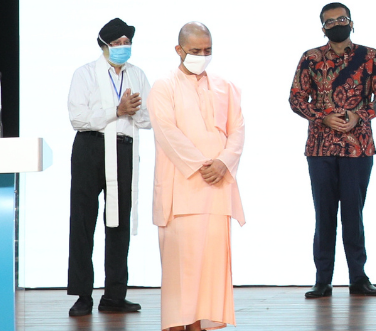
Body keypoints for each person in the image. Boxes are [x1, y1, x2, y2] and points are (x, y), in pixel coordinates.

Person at [148, 22, 246, 331]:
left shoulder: (225, 85)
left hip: (217, 191)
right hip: (182, 190)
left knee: (211, 271)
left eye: (208, 51)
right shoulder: (164, 86)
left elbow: (237, 130)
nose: (202, 56)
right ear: (179, 50)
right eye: (195, 51)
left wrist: (223, 163)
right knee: (181, 272)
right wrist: (203, 165)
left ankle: (199, 326)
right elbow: (166, 132)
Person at [288, 2, 376, 299]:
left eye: (342, 19)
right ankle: (322, 280)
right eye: (330, 22)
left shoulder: (369, 57)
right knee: (324, 214)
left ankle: (359, 277)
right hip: (320, 147)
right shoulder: (311, 58)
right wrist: (322, 116)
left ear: (352, 23)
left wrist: (360, 115)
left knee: (354, 215)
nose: (337, 24)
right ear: (323, 28)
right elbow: (295, 98)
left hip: (359, 148)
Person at [65, 18, 150, 317]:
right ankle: (82, 296)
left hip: (124, 149)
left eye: (128, 43)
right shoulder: (85, 74)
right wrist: (116, 111)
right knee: (83, 221)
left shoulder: (137, 75)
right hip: (91, 147)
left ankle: (115, 295)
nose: (123, 48)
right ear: (104, 46)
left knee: (119, 224)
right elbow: (78, 117)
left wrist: (135, 111)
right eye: (117, 44)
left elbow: (149, 120)